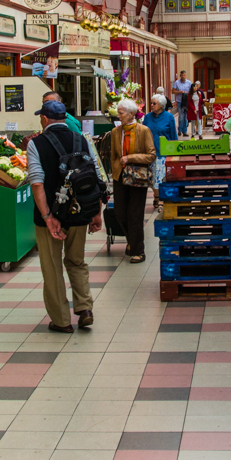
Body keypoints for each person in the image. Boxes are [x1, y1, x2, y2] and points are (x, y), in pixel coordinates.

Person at [26, 98, 104, 332]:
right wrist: (96, 212)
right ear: (64, 118)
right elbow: (96, 176)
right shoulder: (82, 140)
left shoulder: (36, 144)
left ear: (44, 119)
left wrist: (48, 217)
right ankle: (85, 308)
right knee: (76, 261)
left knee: (52, 267)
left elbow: (37, 183)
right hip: (79, 212)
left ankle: (61, 321)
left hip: (50, 217)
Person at [111, 98, 155, 261]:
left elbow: (151, 155)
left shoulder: (143, 131)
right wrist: (116, 170)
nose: (118, 116)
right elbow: (113, 156)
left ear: (131, 114)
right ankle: (131, 241)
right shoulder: (115, 132)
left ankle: (138, 251)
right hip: (120, 177)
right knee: (120, 213)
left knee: (135, 214)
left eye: (121, 113)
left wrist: (130, 158)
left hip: (138, 177)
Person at [143, 93, 177, 203]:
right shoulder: (147, 117)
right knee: (152, 179)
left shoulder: (169, 117)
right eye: (151, 103)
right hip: (150, 153)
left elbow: (173, 136)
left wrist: (175, 153)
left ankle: (160, 199)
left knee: (161, 178)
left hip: (163, 153)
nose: (152, 105)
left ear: (162, 105)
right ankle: (156, 196)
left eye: (154, 103)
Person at [171, 70, 191, 137]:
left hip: (186, 101)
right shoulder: (177, 82)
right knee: (181, 116)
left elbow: (191, 91)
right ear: (180, 76)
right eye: (182, 75)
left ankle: (184, 131)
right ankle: (180, 130)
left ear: (185, 75)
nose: (183, 76)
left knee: (186, 116)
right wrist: (179, 92)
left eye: (184, 75)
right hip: (180, 101)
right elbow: (173, 91)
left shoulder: (189, 83)